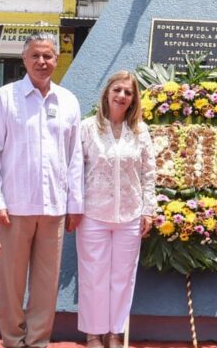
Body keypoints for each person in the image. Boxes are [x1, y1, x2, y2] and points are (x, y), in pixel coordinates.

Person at [0, 32, 83, 348]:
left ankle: (38, 340)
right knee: (11, 283)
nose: (42, 62)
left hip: (53, 208)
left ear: (56, 59)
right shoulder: (5, 97)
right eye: (35, 56)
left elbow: (74, 157)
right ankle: (13, 340)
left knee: (45, 284)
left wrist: (74, 203)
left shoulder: (68, 101)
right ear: (24, 60)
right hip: (14, 208)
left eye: (48, 56)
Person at [76, 71, 157, 348]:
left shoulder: (140, 131)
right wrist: (73, 207)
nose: (122, 96)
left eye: (128, 92)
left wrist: (148, 210)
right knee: (93, 275)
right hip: (93, 213)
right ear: (107, 93)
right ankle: (93, 333)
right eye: (118, 90)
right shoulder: (88, 128)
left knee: (123, 277)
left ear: (134, 99)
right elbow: (76, 169)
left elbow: (149, 172)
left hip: (130, 214)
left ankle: (114, 333)